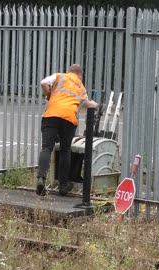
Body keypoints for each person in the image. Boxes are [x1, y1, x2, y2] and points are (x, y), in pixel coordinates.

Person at [36, 64, 98, 196]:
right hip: (69, 119)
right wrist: (96, 105)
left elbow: (43, 83)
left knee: (46, 147)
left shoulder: (60, 76)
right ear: (80, 75)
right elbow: (87, 104)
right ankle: (63, 186)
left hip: (51, 115)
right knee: (65, 150)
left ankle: (41, 178)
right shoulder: (81, 87)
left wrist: (49, 95)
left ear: (69, 71)